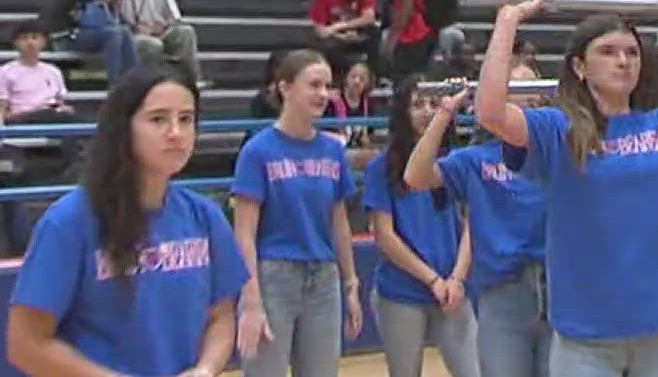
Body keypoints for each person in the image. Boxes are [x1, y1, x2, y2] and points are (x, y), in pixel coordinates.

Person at [474, 0, 658, 375]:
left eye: (632, 53)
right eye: (609, 51)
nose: (623, 61)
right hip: (585, 336)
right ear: (580, 67)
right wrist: (508, 21)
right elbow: (490, 111)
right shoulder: (557, 130)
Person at [6, 68, 248, 377]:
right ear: (124, 129)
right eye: (158, 119)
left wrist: (204, 369)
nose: (176, 132)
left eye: (186, 119)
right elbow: (26, 344)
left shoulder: (205, 216)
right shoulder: (68, 222)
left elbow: (220, 316)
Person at [406, 66, 551, 377]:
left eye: (527, 87)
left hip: (560, 291)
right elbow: (415, 177)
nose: (518, 95)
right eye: (510, 86)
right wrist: (444, 113)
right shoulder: (475, 159)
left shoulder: (559, 149)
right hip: (502, 295)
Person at [231, 49, 364, 377]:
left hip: (324, 279)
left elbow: (339, 222)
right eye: (314, 85)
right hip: (273, 277)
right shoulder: (257, 150)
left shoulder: (333, 150)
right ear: (285, 88)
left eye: (327, 86)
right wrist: (251, 301)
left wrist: (350, 284)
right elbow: (244, 233)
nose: (323, 94)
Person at [366, 76, 483, 377]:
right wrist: (432, 280)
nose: (427, 112)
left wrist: (456, 278)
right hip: (402, 293)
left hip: (454, 290)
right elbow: (384, 235)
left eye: (434, 104)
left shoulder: (457, 162)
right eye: (417, 105)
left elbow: (474, 222)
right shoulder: (382, 167)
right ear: (402, 113)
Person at [115, 0, 203, 88]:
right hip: (134, 34)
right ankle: (156, 83)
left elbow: (175, 18)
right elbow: (116, 19)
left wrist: (164, 27)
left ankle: (190, 79)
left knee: (186, 32)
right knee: (152, 44)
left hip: (160, 30)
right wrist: (134, 27)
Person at [70, 0, 139, 80]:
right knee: (115, 33)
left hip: (104, 32)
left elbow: (118, 20)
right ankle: (115, 83)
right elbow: (75, 11)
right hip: (78, 34)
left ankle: (132, 80)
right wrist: (100, 0)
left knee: (124, 31)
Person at [309, 0, 380, 73]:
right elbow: (320, 30)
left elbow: (368, 17)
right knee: (327, 45)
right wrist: (340, 36)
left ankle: (373, 73)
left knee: (374, 32)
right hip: (334, 38)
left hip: (352, 31)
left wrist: (341, 26)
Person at [0, 23, 70, 124]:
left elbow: (60, 101)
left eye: (34, 38)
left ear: (43, 42)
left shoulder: (53, 71)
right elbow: (2, 105)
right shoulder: (5, 71)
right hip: (21, 117)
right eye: (24, 38)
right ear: (15, 43)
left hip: (51, 115)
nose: (30, 42)